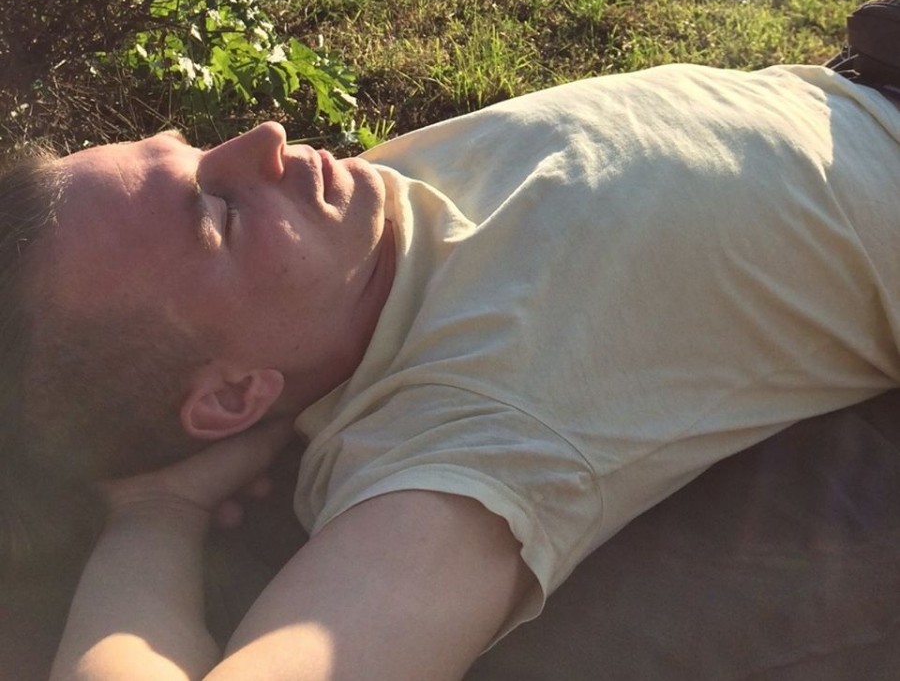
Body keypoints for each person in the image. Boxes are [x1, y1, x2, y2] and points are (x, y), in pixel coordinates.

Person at [3, 56, 900, 681]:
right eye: (219, 214)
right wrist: (157, 517)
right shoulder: (462, 427)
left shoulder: (350, 228)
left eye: (198, 149)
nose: (265, 139)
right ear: (234, 392)